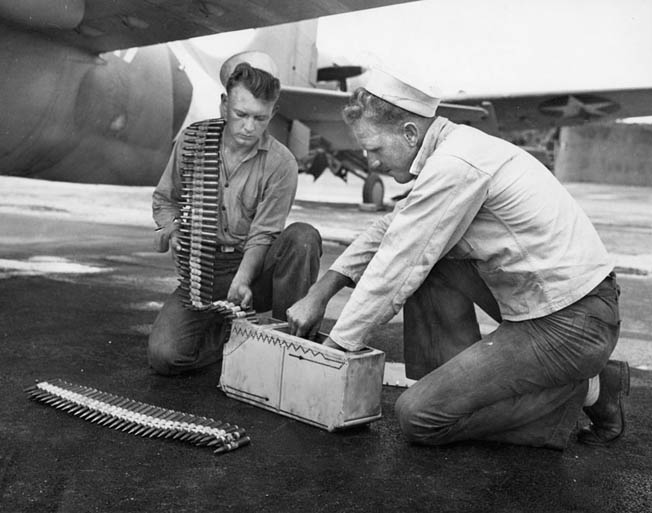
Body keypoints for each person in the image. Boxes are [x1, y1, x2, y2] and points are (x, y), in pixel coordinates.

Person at [287, 68, 628, 450]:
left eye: (376, 149)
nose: (372, 163)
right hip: (551, 309)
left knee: (419, 418)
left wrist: (333, 351)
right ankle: (459, 386)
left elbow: (396, 267)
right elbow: (391, 229)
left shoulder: (455, 164)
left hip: (572, 324)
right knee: (432, 262)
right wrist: (321, 291)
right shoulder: (454, 150)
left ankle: (587, 388)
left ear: (410, 134)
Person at [149, 51, 322, 375]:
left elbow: (263, 235)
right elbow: (165, 199)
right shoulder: (194, 141)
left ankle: (286, 349)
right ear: (224, 103)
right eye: (241, 114)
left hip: (256, 270)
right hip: (204, 268)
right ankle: (234, 336)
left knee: (302, 238)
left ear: (272, 114)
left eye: (260, 118)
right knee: (166, 356)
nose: (248, 127)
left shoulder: (281, 162)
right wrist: (170, 231)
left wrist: (243, 280)